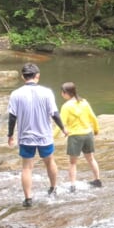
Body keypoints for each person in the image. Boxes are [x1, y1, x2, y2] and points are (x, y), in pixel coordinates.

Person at [7, 62, 67, 207]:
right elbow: (54, 114)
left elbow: (12, 117)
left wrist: (10, 135)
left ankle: (28, 198)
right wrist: (63, 128)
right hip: (44, 136)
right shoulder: (47, 92)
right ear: (37, 76)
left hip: (26, 137)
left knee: (27, 167)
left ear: (23, 77)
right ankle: (53, 188)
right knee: (50, 162)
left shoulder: (15, 94)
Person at [58, 81, 102, 191]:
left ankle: (72, 185)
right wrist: (96, 130)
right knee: (91, 159)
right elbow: (93, 117)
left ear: (65, 93)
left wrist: (52, 136)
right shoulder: (84, 102)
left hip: (75, 136)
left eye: (62, 92)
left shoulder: (66, 107)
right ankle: (97, 180)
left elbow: (61, 124)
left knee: (73, 163)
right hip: (87, 134)